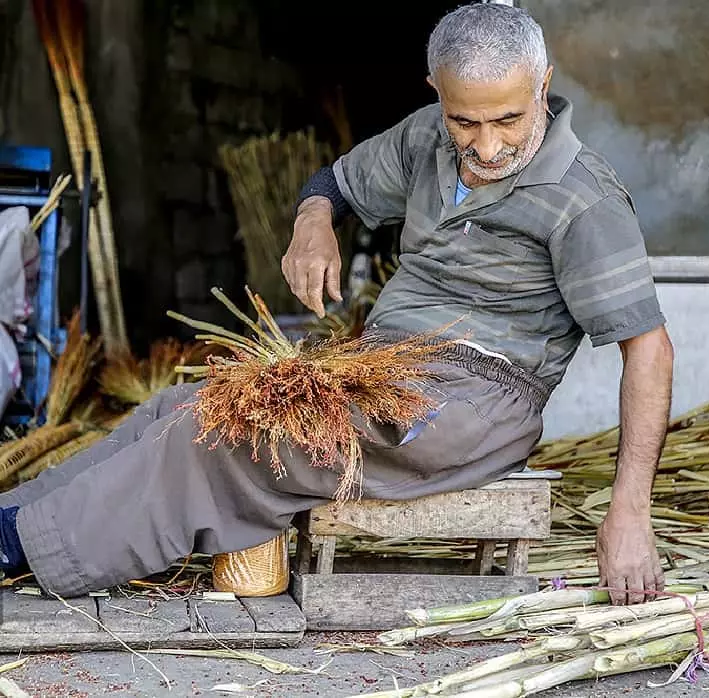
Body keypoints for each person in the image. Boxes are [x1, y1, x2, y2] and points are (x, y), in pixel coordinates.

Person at [0, 4, 672, 606]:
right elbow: (335, 183)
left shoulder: (586, 199)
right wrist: (313, 222)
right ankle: (15, 521)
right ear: (437, 92)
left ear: (542, 86)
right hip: (381, 367)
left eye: (508, 120)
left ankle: (31, 549)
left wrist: (630, 512)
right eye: (465, 120)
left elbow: (648, 348)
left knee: (230, 438)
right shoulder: (425, 139)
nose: (486, 146)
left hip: (471, 402)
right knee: (184, 405)